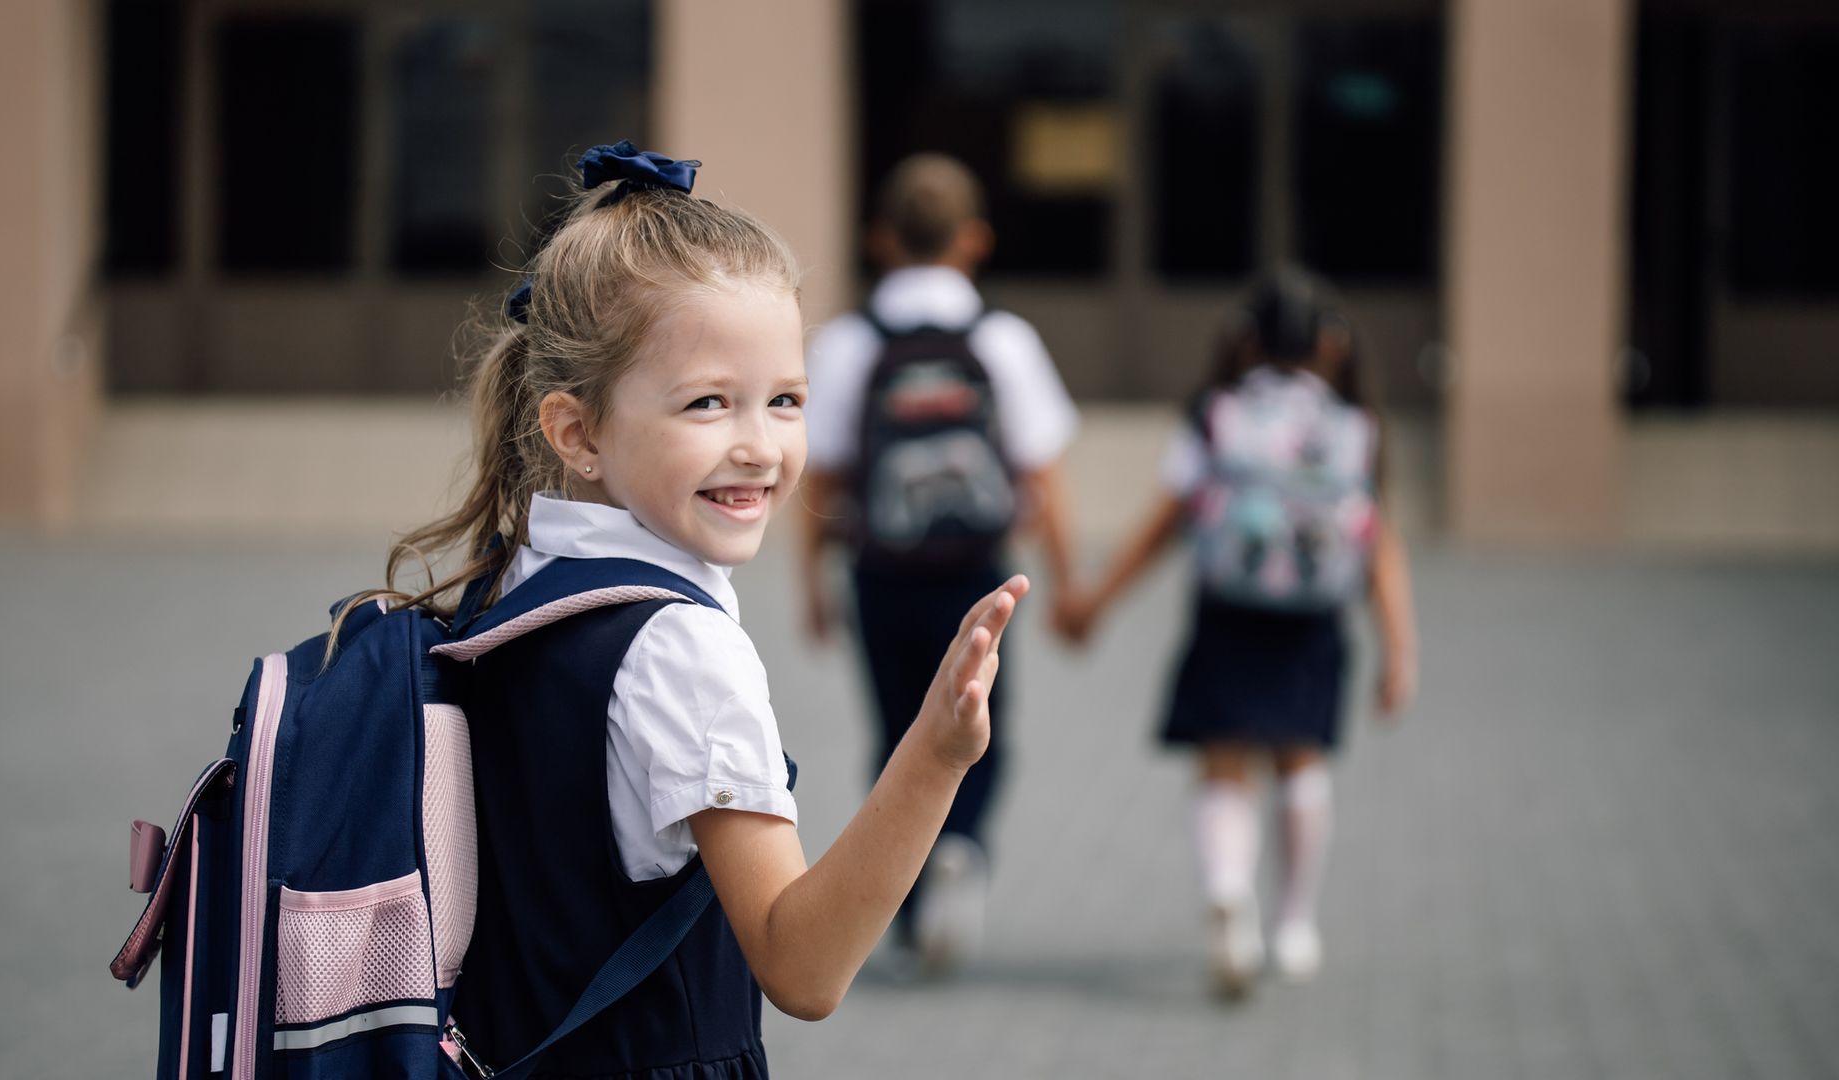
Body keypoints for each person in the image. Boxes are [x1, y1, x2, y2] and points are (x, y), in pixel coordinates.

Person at [362, 142, 1027, 1077]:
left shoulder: (511, 580)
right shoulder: (679, 650)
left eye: (786, 400)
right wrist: (937, 754)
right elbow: (804, 967)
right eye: (710, 403)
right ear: (578, 431)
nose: (760, 446)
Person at [1060, 268, 1417, 998]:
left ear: (1245, 340)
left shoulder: (1216, 413)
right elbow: (1379, 543)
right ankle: (1295, 925)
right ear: (1330, 344)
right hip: (1314, 616)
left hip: (1228, 610)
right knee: (1302, 758)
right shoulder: (1354, 425)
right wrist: (1399, 649)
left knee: (1224, 764)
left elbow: (1169, 521)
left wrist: (1097, 599)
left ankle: (1228, 894)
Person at [798, 153, 1079, 975]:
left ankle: (913, 908)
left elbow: (826, 475)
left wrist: (813, 586)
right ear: (975, 240)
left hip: (880, 570)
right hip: (980, 576)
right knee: (982, 727)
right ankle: (961, 843)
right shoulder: (1003, 340)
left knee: (895, 732)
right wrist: (1068, 584)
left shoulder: (849, 344)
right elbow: (1042, 473)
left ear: (881, 239)